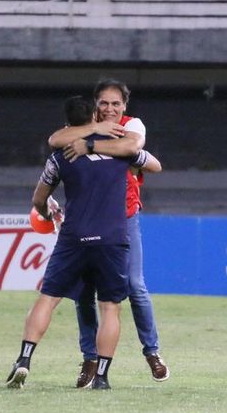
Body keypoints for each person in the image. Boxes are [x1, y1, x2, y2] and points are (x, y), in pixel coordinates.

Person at [6, 95, 151, 390]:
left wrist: (49, 212)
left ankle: (24, 359)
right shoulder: (120, 150)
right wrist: (122, 143)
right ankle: (102, 377)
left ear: (68, 122)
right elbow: (154, 165)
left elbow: (38, 199)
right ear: (95, 117)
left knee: (49, 298)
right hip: (112, 238)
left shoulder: (60, 156)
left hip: (74, 238)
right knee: (110, 307)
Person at [48, 78, 170, 387]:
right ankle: (90, 360)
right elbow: (55, 140)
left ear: (125, 106)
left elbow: (131, 146)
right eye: (104, 103)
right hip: (86, 218)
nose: (110, 108)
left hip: (123, 217)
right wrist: (90, 132)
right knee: (84, 293)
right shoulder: (88, 123)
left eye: (116, 103)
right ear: (96, 104)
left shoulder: (132, 125)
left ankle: (151, 352)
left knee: (135, 286)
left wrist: (89, 144)